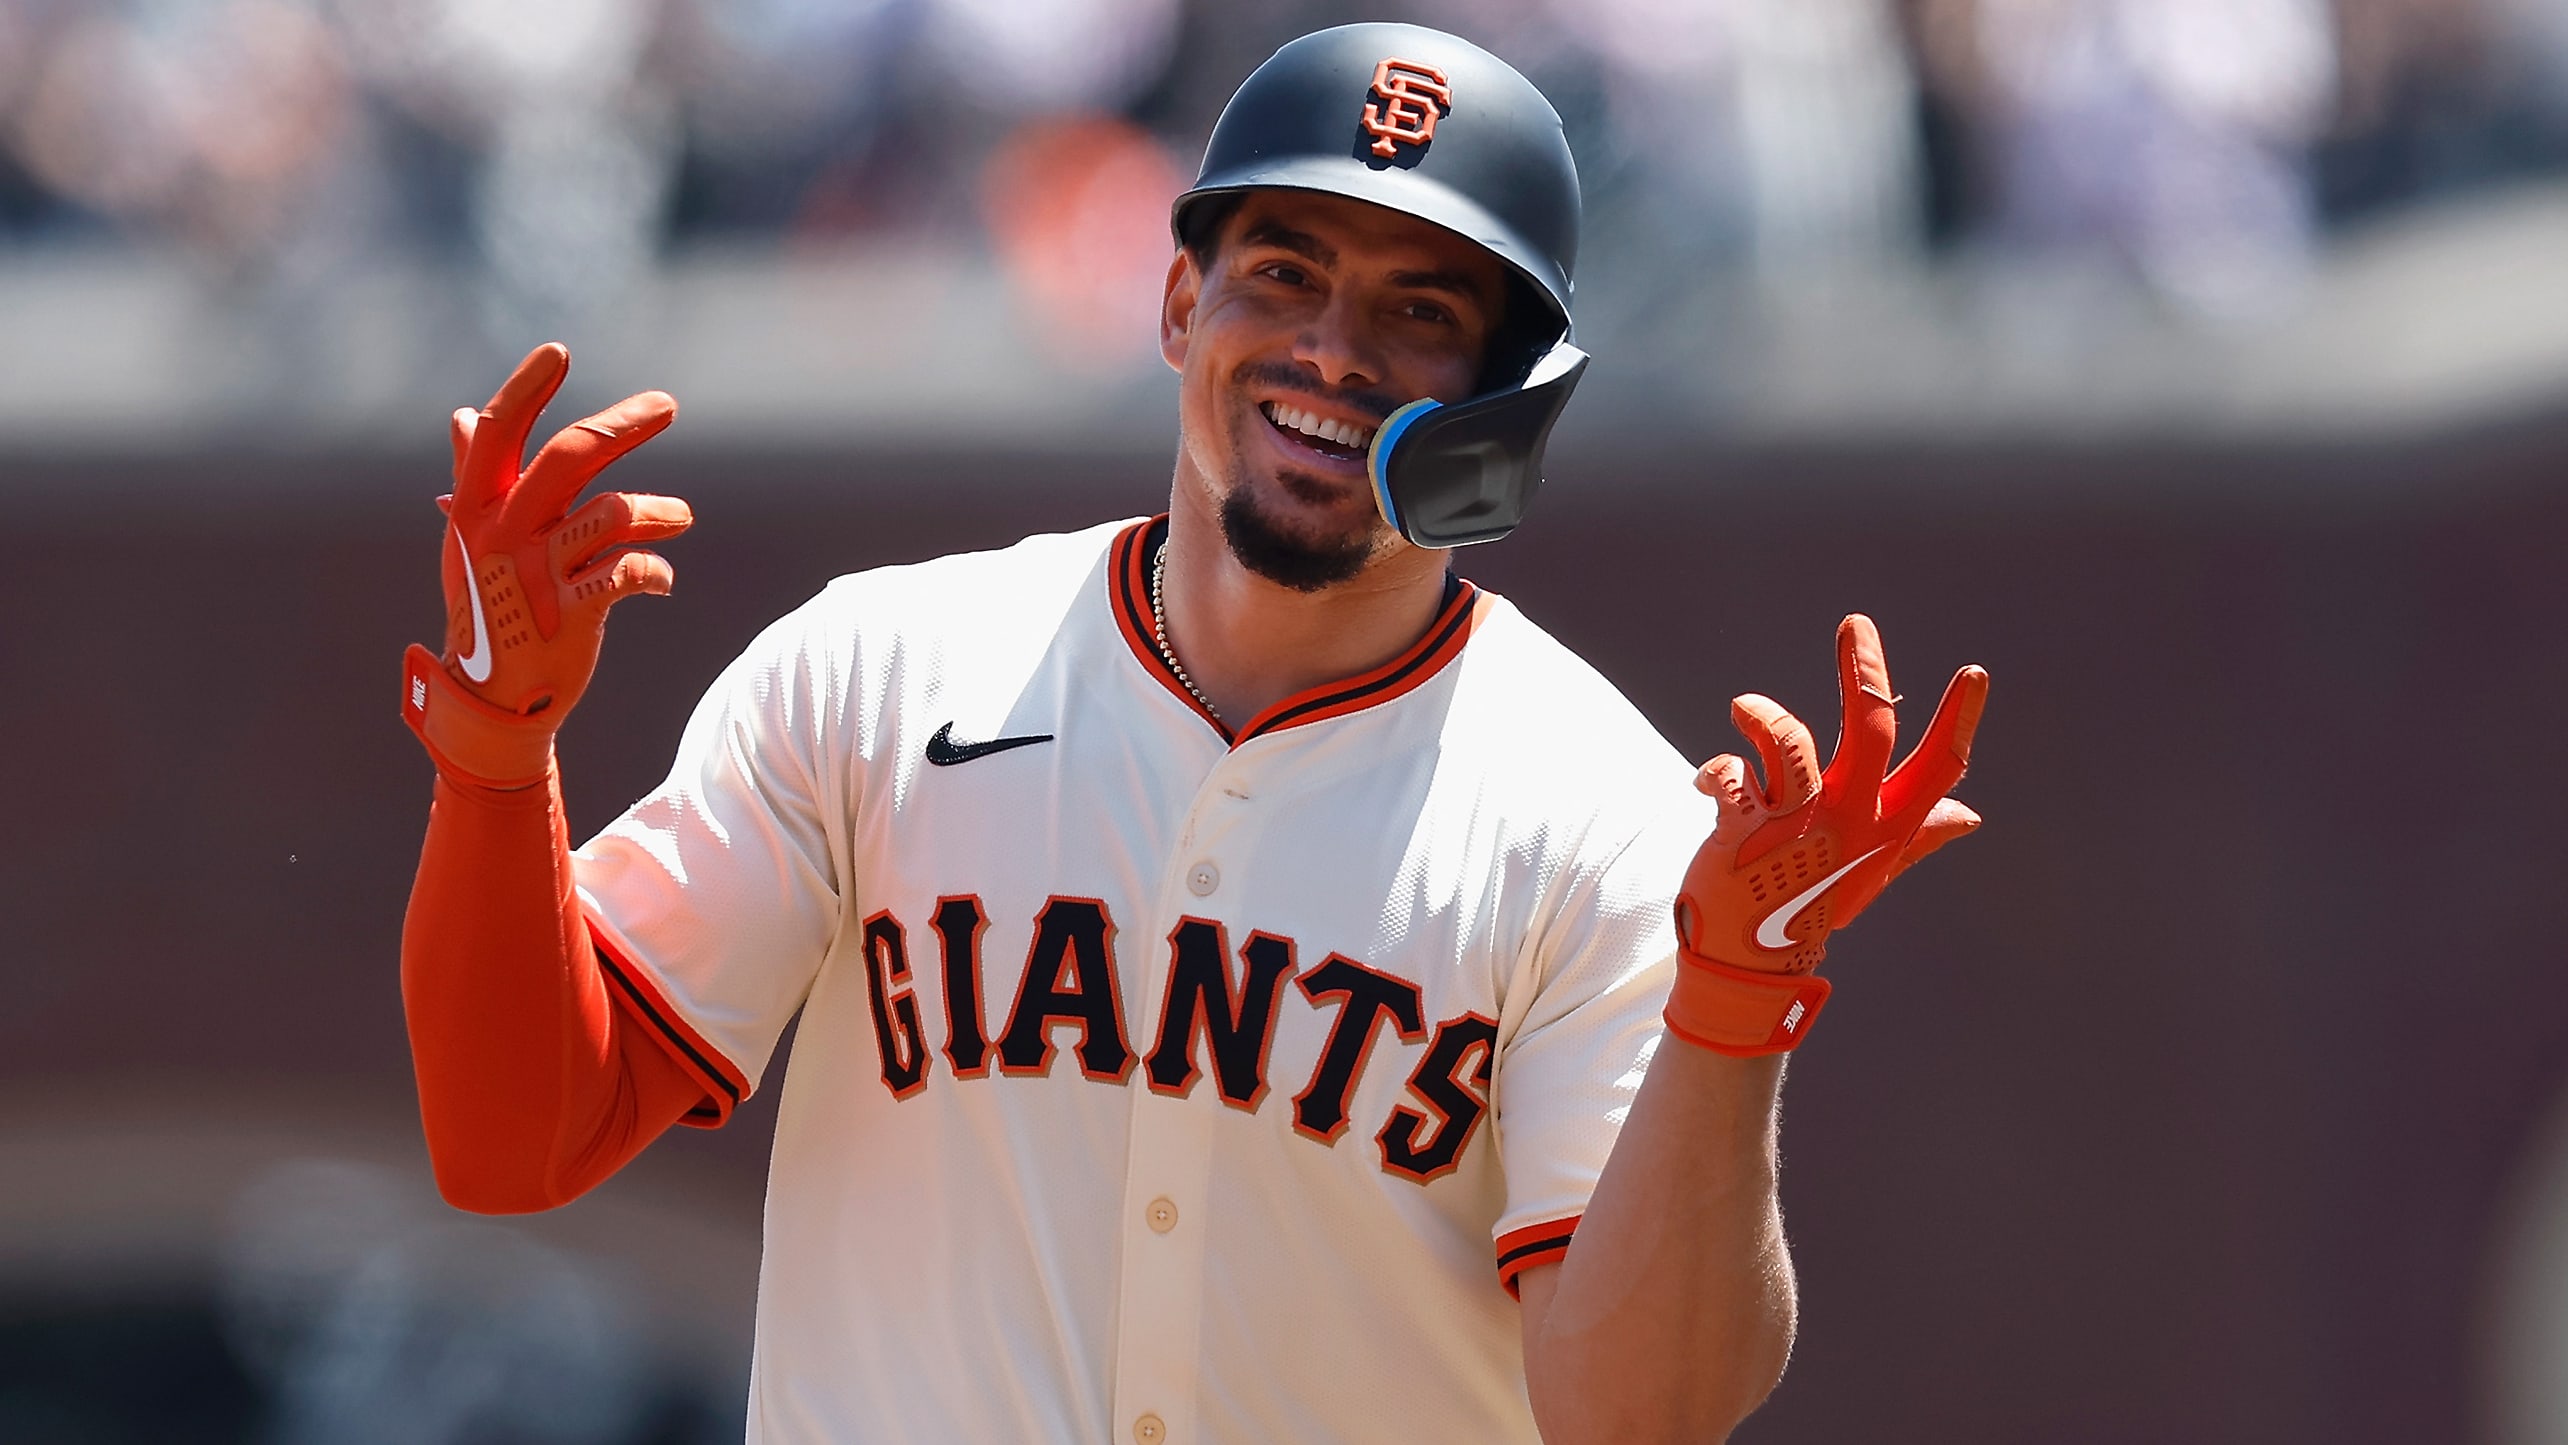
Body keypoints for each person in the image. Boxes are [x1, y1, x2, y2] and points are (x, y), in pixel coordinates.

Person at [396, 23, 1987, 1445]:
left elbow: (1639, 1419)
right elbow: (512, 1141)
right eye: (1284, 271)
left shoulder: (1603, 817)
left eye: (1419, 309)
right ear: (1178, 301)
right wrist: (493, 757)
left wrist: (1732, 1009)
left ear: (1509, 407)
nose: (1333, 353)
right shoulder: (881, 668)